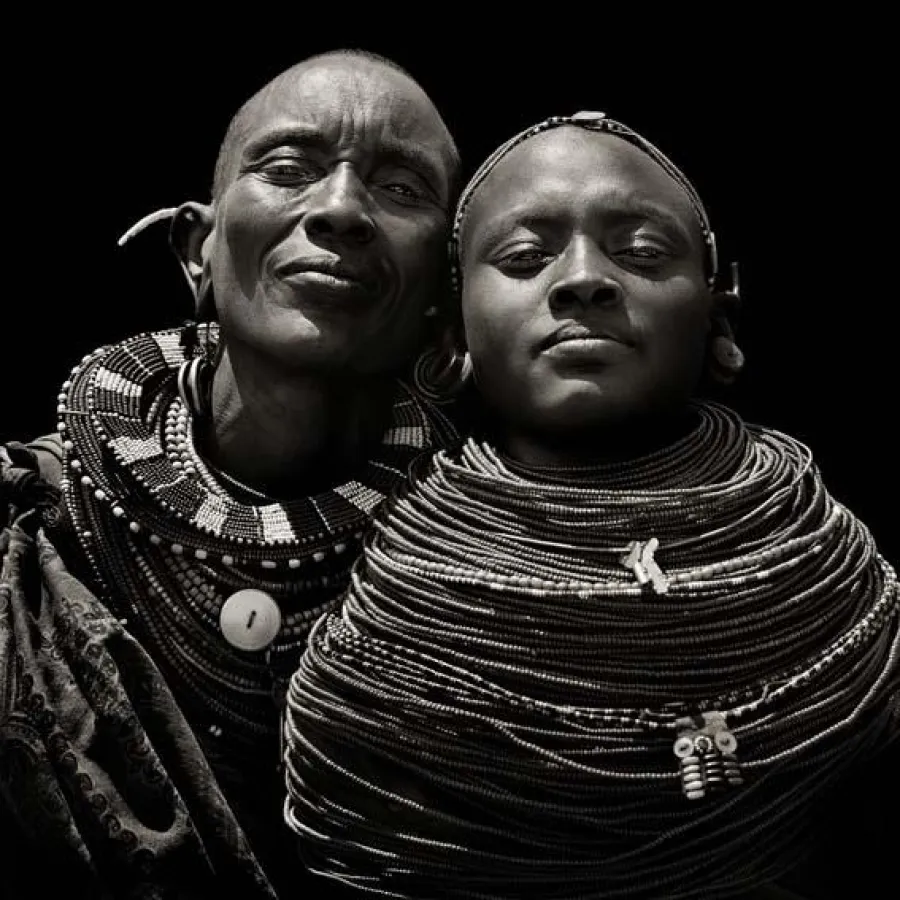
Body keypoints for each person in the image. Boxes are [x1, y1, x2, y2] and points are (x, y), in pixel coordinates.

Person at [283, 112, 900, 899]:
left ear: (721, 308)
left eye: (642, 251)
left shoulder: (832, 571)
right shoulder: (387, 605)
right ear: (450, 331)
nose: (583, 278)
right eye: (524, 256)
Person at [0, 49, 462, 898]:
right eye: (288, 170)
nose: (341, 210)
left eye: (402, 190)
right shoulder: (34, 533)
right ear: (195, 251)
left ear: (446, 292)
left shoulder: (479, 564)